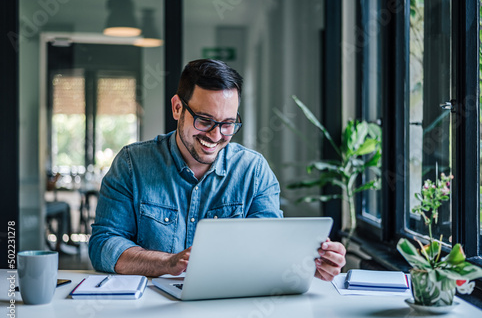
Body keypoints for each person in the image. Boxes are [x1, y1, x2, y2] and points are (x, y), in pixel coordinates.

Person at [88, 59, 346, 281]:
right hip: (149, 310)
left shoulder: (254, 172)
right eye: (205, 120)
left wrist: (308, 264)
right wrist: (168, 263)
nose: (216, 135)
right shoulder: (132, 165)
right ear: (178, 108)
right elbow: (103, 245)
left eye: (228, 124)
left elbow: (268, 250)